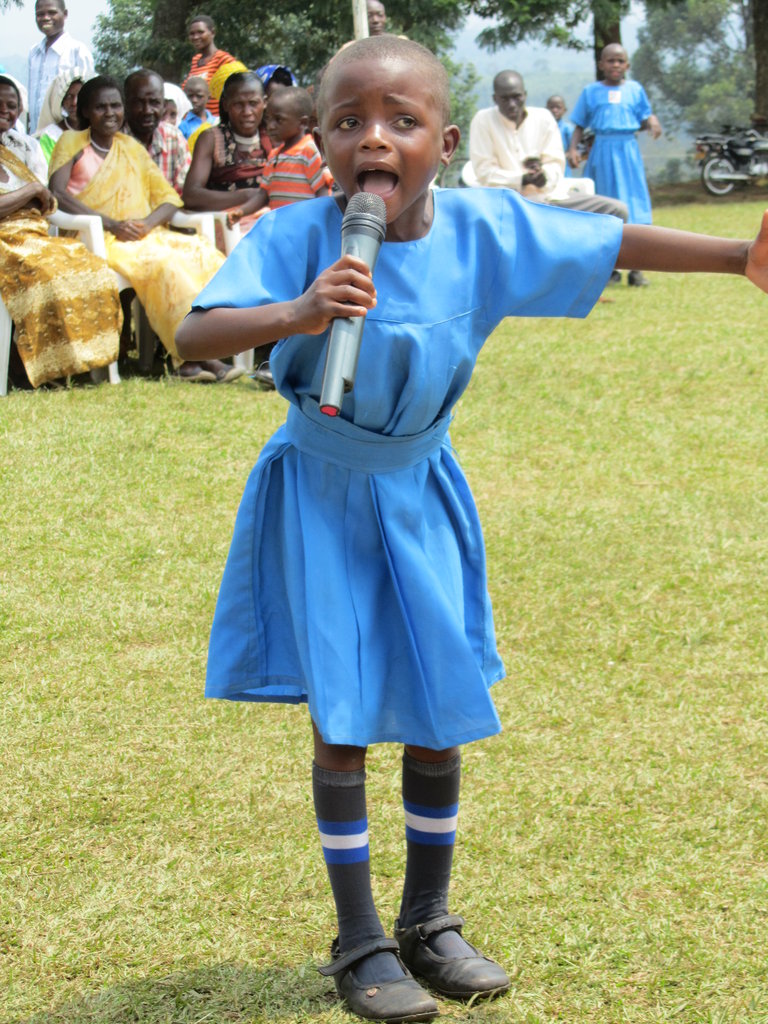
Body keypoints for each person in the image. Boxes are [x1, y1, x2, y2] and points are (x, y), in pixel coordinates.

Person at [175, 34, 768, 1024]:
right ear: (319, 141)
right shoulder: (294, 236)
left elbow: (606, 241)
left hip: (419, 496)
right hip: (323, 500)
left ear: (443, 142)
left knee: (441, 708)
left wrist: (736, 257)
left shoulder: (483, 232)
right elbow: (195, 333)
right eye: (350, 120)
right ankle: (359, 937)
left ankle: (428, 918)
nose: (375, 138)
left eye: (401, 121)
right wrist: (299, 310)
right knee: (347, 721)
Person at [48, 75, 239, 384]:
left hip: (142, 234)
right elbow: (58, 195)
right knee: (163, 265)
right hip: (95, 238)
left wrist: (148, 224)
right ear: (84, 112)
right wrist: (110, 224)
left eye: (115, 106)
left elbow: (168, 199)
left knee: (201, 252)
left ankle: (216, 343)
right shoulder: (72, 142)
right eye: (100, 107)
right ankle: (190, 358)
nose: (110, 113)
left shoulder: (130, 148)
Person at [0, 75, 120, 388]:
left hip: (32, 234)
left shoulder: (16, 147)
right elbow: (34, 191)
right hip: (5, 241)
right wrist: (29, 192)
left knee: (87, 263)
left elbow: (47, 199)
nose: (5, 110)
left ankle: (81, 365)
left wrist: (35, 195)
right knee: (44, 271)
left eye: (11, 105)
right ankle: (31, 371)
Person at [469, 70, 628, 218]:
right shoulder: (483, 120)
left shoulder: (543, 118)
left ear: (525, 95)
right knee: (535, 212)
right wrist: (522, 179)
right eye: (505, 99)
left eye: (516, 97)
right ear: (495, 99)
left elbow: (555, 163)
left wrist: (544, 177)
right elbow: (484, 172)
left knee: (616, 211)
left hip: (553, 198)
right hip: (509, 203)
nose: (511, 104)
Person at [568, 44, 663, 286]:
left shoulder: (635, 90)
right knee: (604, 206)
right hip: (601, 152)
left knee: (634, 206)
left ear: (627, 65)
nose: (615, 65)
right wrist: (572, 149)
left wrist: (652, 121)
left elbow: (643, 117)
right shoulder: (591, 92)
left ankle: (637, 270)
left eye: (620, 61)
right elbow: (579, 125)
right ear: (601, 65)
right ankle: (608, 270)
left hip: (628, 152)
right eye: (610, 61)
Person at [182, 71, 272, 236]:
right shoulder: (211, 139)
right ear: (225, 105)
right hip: (228, 228)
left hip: (271, 225)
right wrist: (246, 196)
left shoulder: (275, 137)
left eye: (253, 103)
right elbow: (191, 195)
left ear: (264, 103)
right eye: (238, 104)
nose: (247, 111)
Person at [225, 86, 332, 225]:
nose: (270, 126)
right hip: (281, 230)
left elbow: (323, 193)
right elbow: (263, 195)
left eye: (278, 120)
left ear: (302, 123)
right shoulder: (274, 155)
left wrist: (321, 225)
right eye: (268, 119)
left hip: (304, 229)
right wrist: (241, 212)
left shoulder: (309, 151)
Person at [26, 0, 93, 133]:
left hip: (66, 139)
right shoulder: (34, 53)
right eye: (40, 14)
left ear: (65, 14)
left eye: (52, 12)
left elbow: (89, 99)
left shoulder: (77, 51)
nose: (46, 18)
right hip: (36, 138)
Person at [123, 69, 191, 195]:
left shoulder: (174, 137)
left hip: (169, 213)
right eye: (139, 103)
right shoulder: (112, 141)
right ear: (126, 104)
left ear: (163, 105)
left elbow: (185, 193)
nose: (147, 110)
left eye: (154, 103)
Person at [182, 14, 235, 118]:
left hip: (214, 123)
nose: (196, 37)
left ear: (212, 33)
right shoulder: (195, 60)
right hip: (191, 123)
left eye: (200, 32)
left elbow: (235, 93)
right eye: (192, 34)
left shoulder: (223, 60)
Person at [36, 66, 86, 163]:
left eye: (80, 96)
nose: (74, 102)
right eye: (69, 96)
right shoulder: (51, 136)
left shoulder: (97, 131)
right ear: (61, 102)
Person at [546, 94, 574, 177]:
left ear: (564, 110)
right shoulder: (543, 128)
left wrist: (563, 156)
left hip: (564, 168)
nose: (555, 110)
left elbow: (573, 150)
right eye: (551, 107)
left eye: (558, 107)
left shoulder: (567, 129)